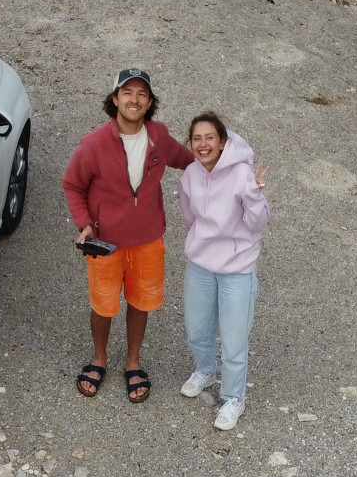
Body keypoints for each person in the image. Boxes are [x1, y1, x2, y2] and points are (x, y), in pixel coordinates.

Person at [62, 68, 194, 402]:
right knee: (104, 305)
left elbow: (190, 161)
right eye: (127, 93)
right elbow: (72, 184)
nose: (134, 100)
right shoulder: (94, 144)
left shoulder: (160, 137)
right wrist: (85, 223)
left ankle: (132, 361)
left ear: (150, 103)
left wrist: (229, 164)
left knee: (141, 302)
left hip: (148, 239)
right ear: (115, 99)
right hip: (105, 243)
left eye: (142, 95)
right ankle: (99, 357)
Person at [178, 112, 269, 431]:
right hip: (201, 265)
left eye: (209, 138)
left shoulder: (243, 174)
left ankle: (234, 398)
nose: (203, 144)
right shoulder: (189, 174)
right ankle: (206, 370)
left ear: (223, 142)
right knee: (196, 328)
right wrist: (200, 243)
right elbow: (190, 216)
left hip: (237, 271)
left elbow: (257, 224)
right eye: (197, 139)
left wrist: (255, 194)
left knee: (233, 340)